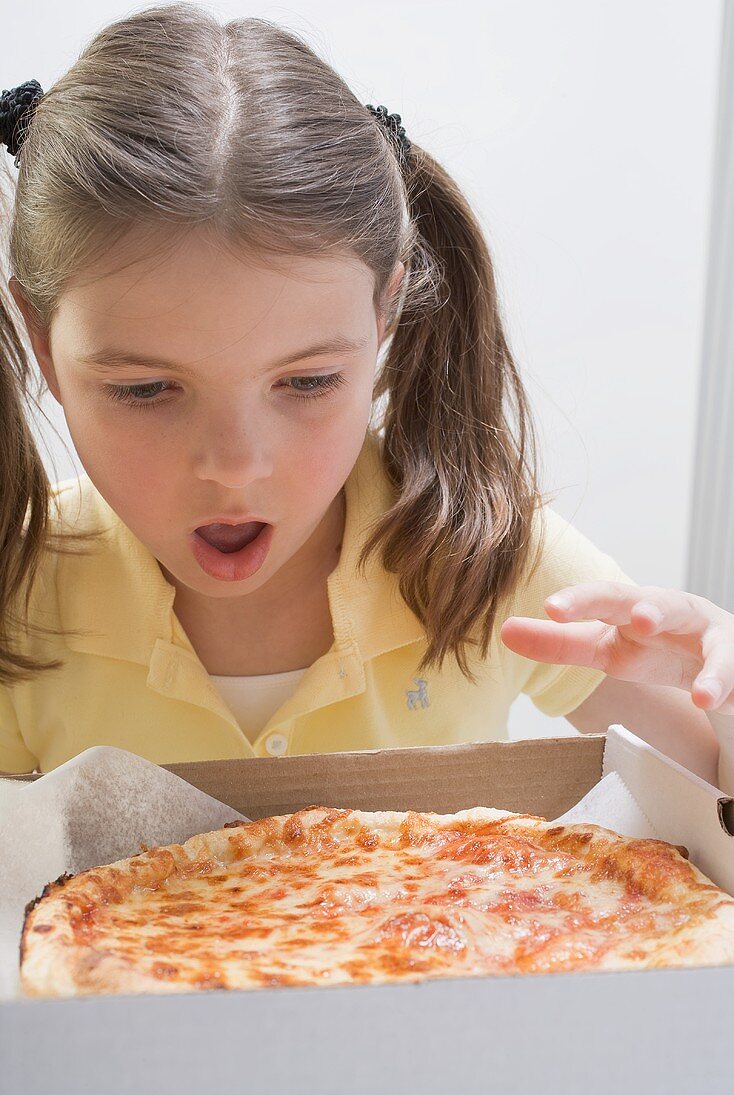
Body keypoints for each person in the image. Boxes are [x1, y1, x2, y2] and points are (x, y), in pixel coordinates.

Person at [0, 5, 725, 791]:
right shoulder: (17, 592)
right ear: (43, 342)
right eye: (145, 389)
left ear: (383, 318)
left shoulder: (485, 558)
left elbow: (710, 796)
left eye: (306, 382)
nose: (236, 468)